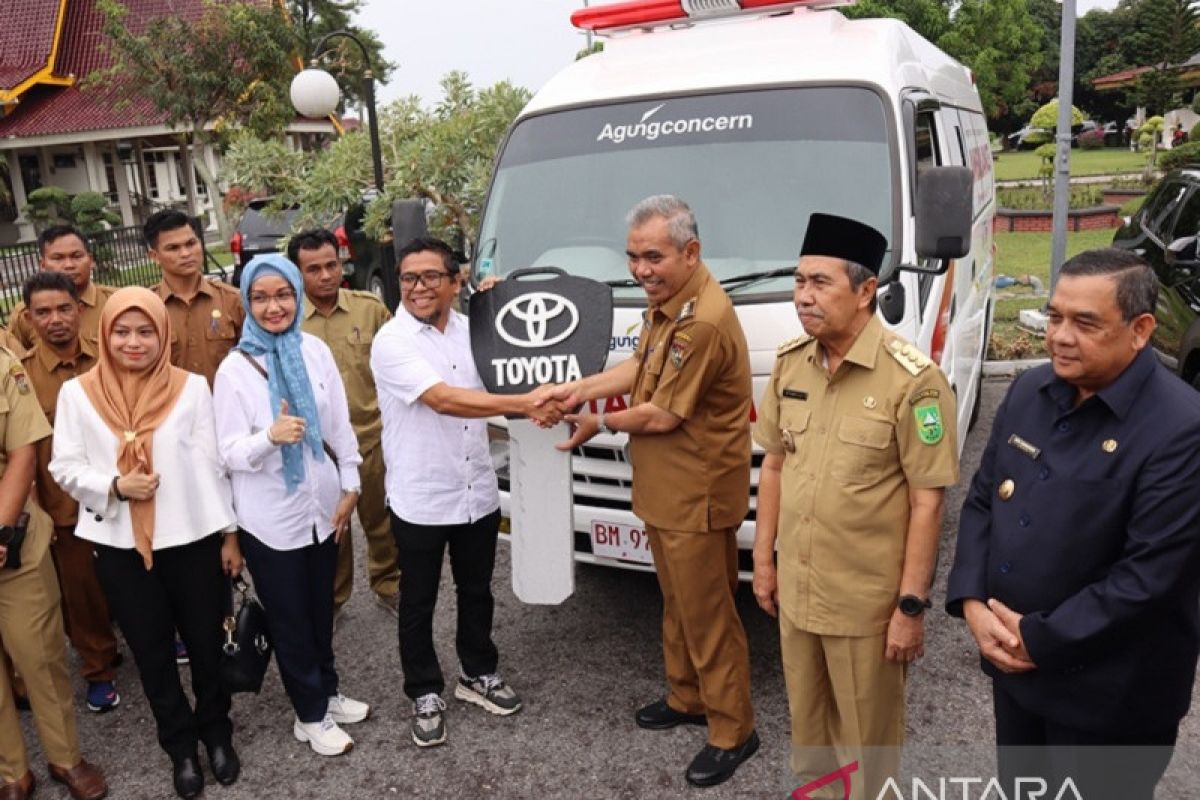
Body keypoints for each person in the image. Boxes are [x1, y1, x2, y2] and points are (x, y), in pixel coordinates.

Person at [946, 248, 1200, 800]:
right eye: (1055, 316)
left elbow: (1149, 578)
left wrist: (1033, 638)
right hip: (1018, 674)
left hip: (1110, 698)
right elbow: (985, 500)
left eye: (1086, 323)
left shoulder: (1182, 428)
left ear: (1140, 330)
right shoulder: (1029, 392)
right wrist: (971, 601)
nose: (1060, 335)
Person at [551, 196, 757, 788]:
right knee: (677, 605)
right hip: (666, 489)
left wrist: (598, 421)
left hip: (696, 493)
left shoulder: (703, 321)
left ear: (690, 252)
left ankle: (732, 729)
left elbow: (662, 413)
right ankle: (687, 697)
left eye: (653, 257)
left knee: (709, 612)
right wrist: (578, 390)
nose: (640, 269)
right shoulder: (669, 304)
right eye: (633, 256)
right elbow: (638, 369)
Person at [750, 213, 959, 798]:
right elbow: (774, 465)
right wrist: (763, 562)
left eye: (820, 283)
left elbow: (927, 501)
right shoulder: (792, 365)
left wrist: (910, 608)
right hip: (799, 591)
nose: (803, 298)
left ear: (866, 291)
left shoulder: (913, 381)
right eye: (798, 282)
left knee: (866, 750)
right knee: (810, 737)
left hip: (866, 607)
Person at [370, 236, 562, 749]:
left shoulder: (476, 328)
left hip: (475, 489)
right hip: (421, 496)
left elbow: (524, 347)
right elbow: (445, 400)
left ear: (456, 281)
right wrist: (525, 405)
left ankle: (478, 673)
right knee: (419, 600)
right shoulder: (393, 341)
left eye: (431, 276)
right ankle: (424, 690)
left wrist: (501, 304)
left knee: (477, 590)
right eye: (408, 278)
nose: (417, 287)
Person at [50, 287, 242, 799]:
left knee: (205, 647)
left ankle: (217, 733)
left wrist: (229, 534)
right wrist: (114, 485)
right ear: (104, 333)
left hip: (194, 539)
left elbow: (213, 466)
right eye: (121, 331)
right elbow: (63, 466)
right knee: (153, 653)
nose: (133, 342)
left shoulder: (191, 387)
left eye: (145, 332)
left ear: (162, 335)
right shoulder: (78, 394)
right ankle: (180, 748)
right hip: (120, 546)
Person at [213, 253, 369, 757]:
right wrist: (269, 437)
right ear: (246, 302)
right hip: (269, 519)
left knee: (321, 609)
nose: (273, 306)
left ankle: (328, 689)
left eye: (283, 294)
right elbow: (227, 453)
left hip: (322, 512)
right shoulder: (234, 370)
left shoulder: (316, 350)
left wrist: (350, 487)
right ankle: (309, 714)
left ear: (297, 294)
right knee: (290, 619)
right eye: (260, 297)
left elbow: (340, 427)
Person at [0, 348, 108, 800]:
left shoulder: (3, 365)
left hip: (10, 541)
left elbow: (23, 454)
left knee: (39, 656)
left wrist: (1, 532)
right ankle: (12, 773)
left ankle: (66, 759)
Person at [19, 273, 121, 714]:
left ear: (80, 309)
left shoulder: (111, 358)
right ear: (28, 318)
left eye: (64, 308)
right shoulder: (20, 375)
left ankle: (160, 636)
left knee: (141, 574)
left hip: (122, 494)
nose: (55, 320)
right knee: (82, 595)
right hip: (64, 506)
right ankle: (99, 668)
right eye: (43, 312)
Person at [290, 229, 400, 617]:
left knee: (380, 519)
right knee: (330, 526)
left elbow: (397, 366)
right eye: (313, 269)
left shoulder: (370, 309)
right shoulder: (288, 323)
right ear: (298, 273)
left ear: (342, 263)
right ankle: (333, 600)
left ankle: (389, 585)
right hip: (317, 447)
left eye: (331, 265)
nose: (325, 275)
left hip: (370, 437)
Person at [146, 210, 243, 387]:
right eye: (173, 248)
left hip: (225, 410)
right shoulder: (146, 308)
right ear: (154, 256)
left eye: (191, 243)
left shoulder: (233, 300)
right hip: (172, 411)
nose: (185, 253)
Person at [5, 224, 116, 349]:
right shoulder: (25, 314)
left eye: (76, 256)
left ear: (91, 260)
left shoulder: (116, 302)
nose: (69, 265)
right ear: (42, 265)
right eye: (58, 258)